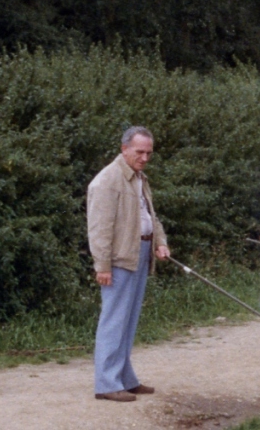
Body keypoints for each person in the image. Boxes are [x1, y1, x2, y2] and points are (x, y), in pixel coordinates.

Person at [88, 126, 170, 402]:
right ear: (124, 149)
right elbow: (99, 228)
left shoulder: (139, 178)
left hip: (141, 252)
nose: (145, 158)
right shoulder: (107, 180)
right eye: (139, 152)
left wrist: (159, 241)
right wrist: (102, 265)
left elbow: (150, 215)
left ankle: (125, 378)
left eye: (149, 153)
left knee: (129, 320)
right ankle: (106, 384)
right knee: (114, 320)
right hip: (119, 258)